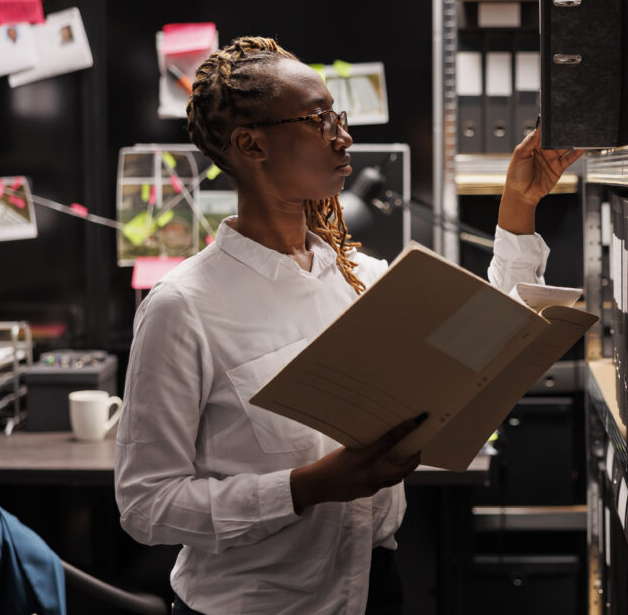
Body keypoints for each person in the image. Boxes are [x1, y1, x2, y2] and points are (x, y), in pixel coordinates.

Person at [113, 36, 581, 615]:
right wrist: (307, 487)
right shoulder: (182, 306)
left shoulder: (361, 275)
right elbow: (145, 505)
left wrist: (518, 205)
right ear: (250, 143)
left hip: (374, 591)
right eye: (318, 120)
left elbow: (484, 344)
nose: (343, 135)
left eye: (338, 115)